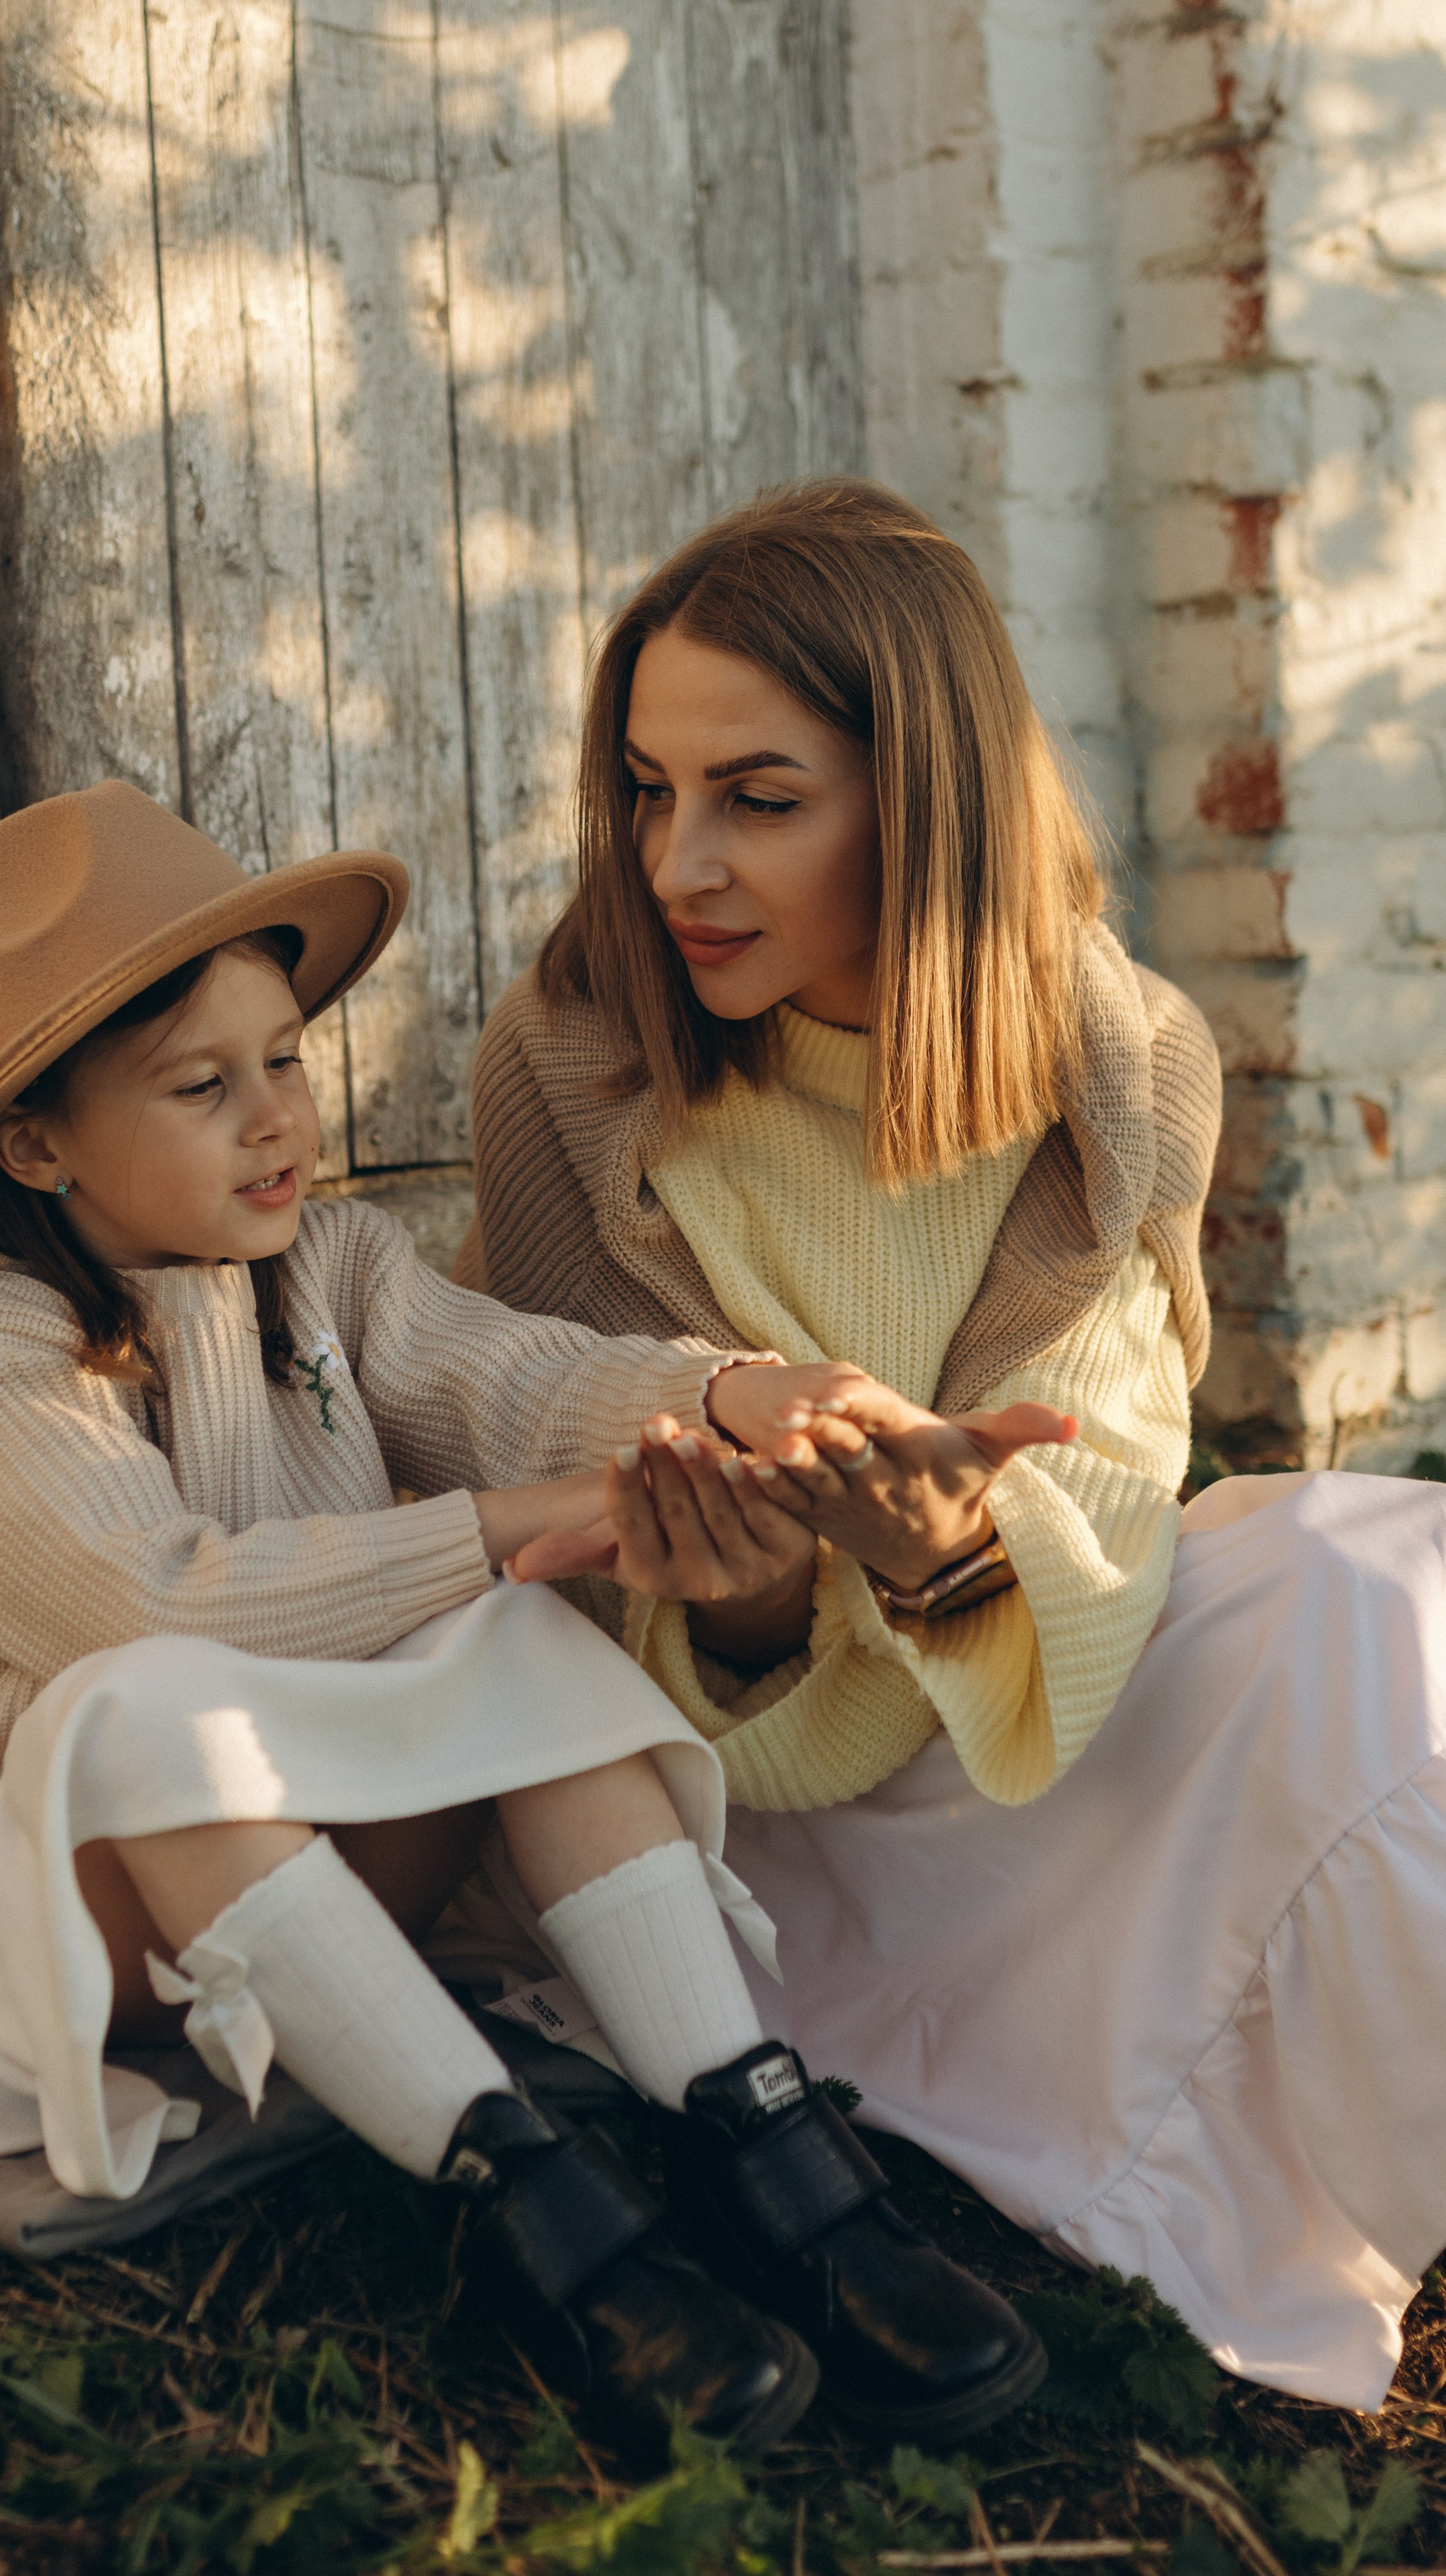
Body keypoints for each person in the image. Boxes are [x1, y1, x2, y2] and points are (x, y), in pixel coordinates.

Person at [0, 779, 1053, 2465]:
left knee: (528, 1637)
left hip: (341, 1860)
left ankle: (758, 2144)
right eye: (199, 1086)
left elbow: (519, 1378)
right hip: (103, 1920)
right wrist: (510, 1527)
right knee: (163, 1699)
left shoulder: (337, 1270)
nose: (274, 1123)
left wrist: (749, 1402)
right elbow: (141, 1601)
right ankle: (524, 2198)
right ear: (35, 1145)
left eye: (286, 1061)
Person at [462, 477, 1446, 2414]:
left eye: (760, 796)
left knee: (1367, 1570)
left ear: (922, 797)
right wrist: (742, 1614)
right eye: (650, 791)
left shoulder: (1114, 1053)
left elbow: (1103, 1467)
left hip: (1023, 1681)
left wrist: (936, 1559)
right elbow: (551, 1532)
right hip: (741, 1794)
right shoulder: (571, 1061)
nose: (680, 864)